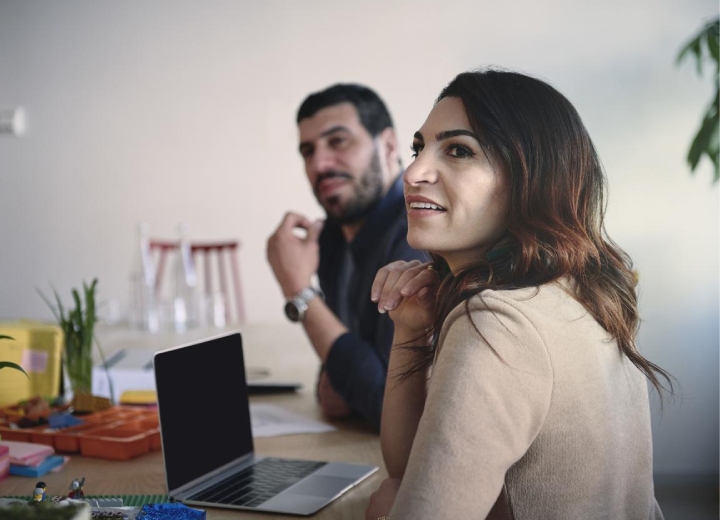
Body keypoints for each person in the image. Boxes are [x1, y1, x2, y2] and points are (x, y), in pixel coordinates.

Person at [366, 69, 670, 519]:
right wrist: (409, 327)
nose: (413, 172)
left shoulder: (497, 321)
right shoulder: (577, 291)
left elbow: (408, 500)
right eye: (419, 148)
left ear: (532, 178)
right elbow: (414, 472)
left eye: (458, 150)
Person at [267, 84, 428, 429]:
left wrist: (299, 291)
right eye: (308, 151)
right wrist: (349, 376)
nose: (319, 164)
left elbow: (391, 406)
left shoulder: (419, 233)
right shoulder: (330, 238)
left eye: (338, 141)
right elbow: (335, 382)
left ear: (387, 146)